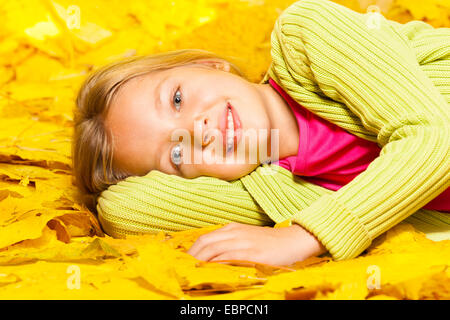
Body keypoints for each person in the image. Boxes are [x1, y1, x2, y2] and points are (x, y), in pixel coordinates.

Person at [73, 0, 450, 266]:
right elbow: (124, 212)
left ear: (212, 66)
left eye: (176, 99)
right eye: (175, 154)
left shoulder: (308, 34)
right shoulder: (276, 190)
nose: (196, 130)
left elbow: (436, 139)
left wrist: (304, 237)